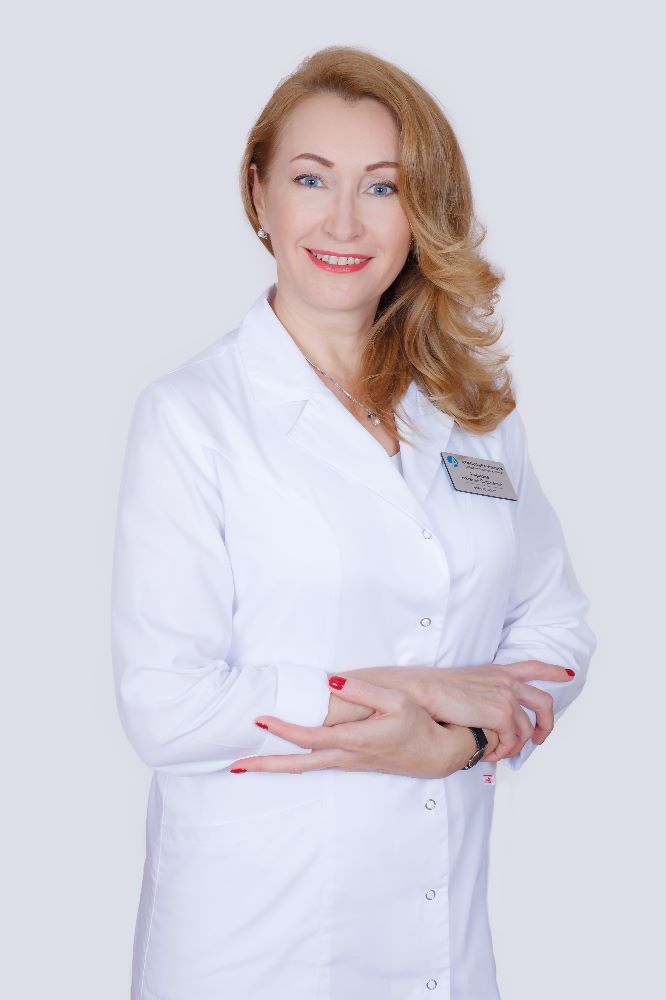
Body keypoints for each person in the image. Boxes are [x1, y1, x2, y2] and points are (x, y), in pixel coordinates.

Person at [110, 45, 597, 1000]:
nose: (344, 221)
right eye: (311, 179)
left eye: (383, 187)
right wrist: (410, 697)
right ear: (258, 195)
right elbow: (165, 704)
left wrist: (454, 744)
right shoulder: (193, 418)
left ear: (422, 212)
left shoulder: (470, 416)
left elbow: (556, 629)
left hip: (440, 944)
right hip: (254, 943)